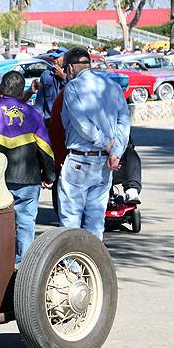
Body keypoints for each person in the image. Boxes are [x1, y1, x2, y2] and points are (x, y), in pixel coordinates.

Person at [0, 72, 56, 265]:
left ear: (2, 89)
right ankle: (23, 267)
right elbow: (46, 149)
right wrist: (49, 176)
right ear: (21, 90)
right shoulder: (33, 114)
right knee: (26, 224)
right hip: (28, 180)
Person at [57, 47, 131, 239]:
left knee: (71, 220)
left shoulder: (72, 88)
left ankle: (72, 266)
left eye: (66, 69)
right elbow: (124, 121)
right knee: (95, 221)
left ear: (71, 68)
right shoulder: (112, 86)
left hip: (80, 161)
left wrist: (108, 145)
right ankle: (93, 265)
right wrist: (116, 151)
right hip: (105, 162)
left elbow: (82, 125)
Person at [34, 53, 67, 122]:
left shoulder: (72, 76)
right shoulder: (46, 75)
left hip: (66, 122)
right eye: (54, 57)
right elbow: (39, 103)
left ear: (66, 59)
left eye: (57, 57)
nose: (54, 60)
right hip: (49, 121)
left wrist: (64, 77)